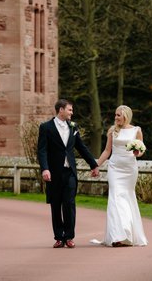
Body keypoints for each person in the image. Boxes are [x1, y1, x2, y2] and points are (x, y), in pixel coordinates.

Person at [37, 99, 100, 248]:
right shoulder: (46, 127)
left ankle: (69, 236)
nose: (72, 112)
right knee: (56, 204)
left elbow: (81, 147)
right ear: (61, 110)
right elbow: (42, 150)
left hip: (70, 172)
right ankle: (59, 237)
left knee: (69, 204)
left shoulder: (73, 127)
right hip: (53, 172)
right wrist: (45, 168)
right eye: (70, 110)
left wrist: (94, 165)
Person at [94, 105, 148, 247]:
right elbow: (107, 151)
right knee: (116, 198)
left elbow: (141, 149)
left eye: (118, 115)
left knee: (127, 197)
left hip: (130, 169)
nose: (116, 117)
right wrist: (96, 165)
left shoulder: (137, 130)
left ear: (126, 116)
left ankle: (127, 234)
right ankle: (118, 235)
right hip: (115, 168)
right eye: (115, 115)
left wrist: (138, 152)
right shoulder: (113, 131)